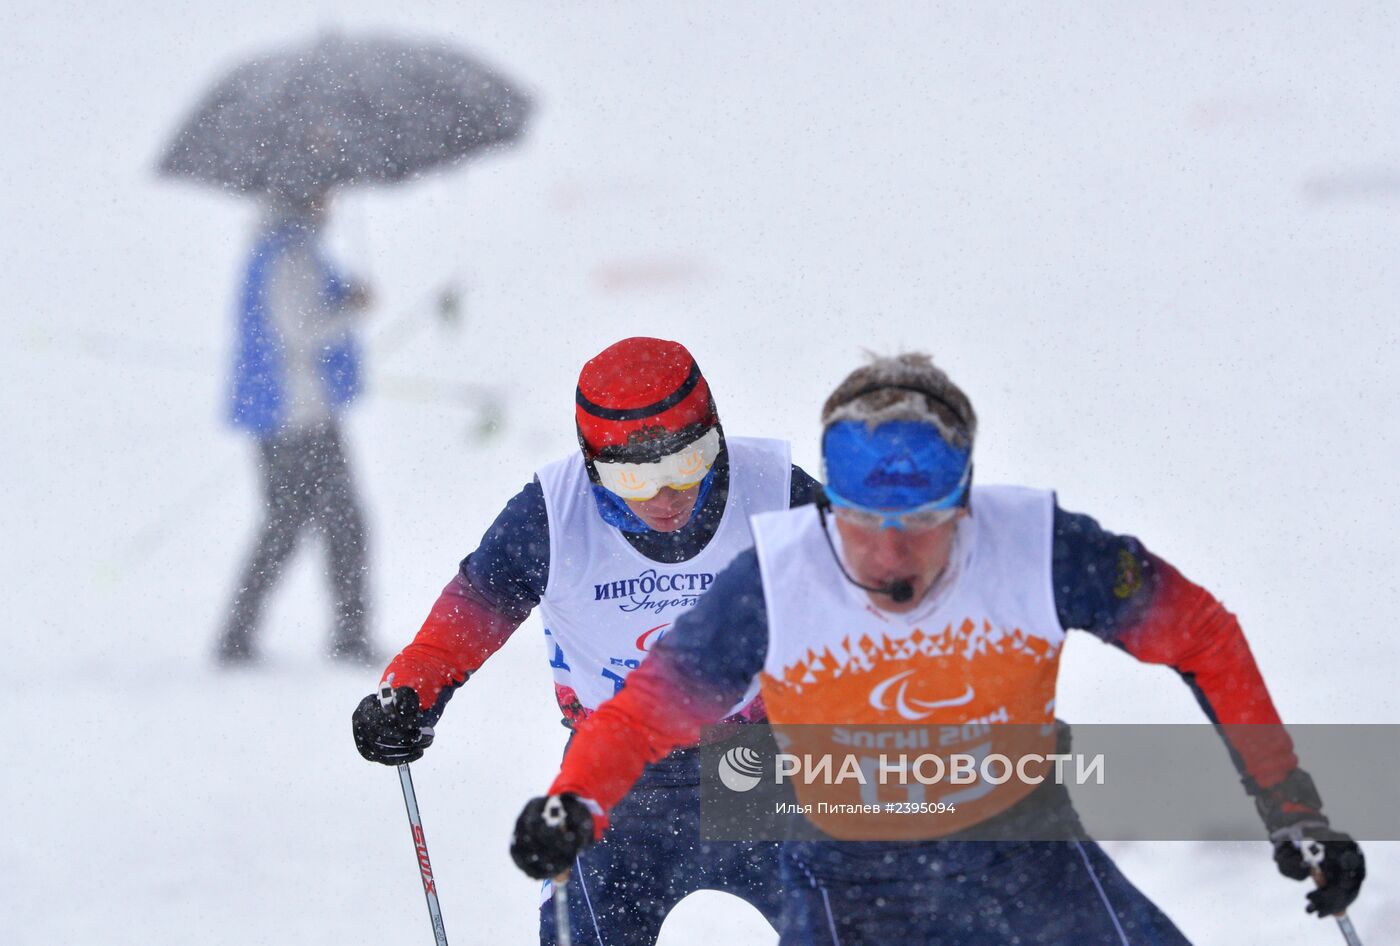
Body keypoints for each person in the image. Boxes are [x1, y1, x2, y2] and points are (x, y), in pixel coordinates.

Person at [508, 352, 1367, 944]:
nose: (890, 555)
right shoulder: (777, 578)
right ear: (830, 504)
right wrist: (578, 800)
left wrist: (1294, 810)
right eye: (861, 523)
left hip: (1027, 854)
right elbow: (645, 712)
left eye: (920, 522)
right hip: (850, 882)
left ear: (965, 498)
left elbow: (1203, 635)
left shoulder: (1040, 547)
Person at [351, 337, 822, 945]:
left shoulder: (776, 491)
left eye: (688, 463)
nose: (665, 497)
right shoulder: (552, 514)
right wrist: (409, 693)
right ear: (593, 465)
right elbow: (466, 619)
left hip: (757, 763)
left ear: (716, 435)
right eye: (634, 477)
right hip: (615, 776)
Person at [216, 191, 375, 665]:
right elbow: (302, 331)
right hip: (297, 415)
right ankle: (347, 635)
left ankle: (241, 634)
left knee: (295, 524)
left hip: (291, 413)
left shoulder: (280, 249)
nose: (330, 204)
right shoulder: (289, 256)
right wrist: (351, 306)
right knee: (334, 523)